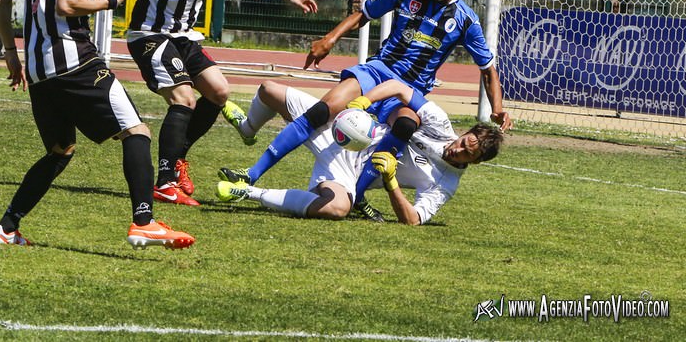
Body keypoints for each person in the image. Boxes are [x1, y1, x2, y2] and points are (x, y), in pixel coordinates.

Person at [219, 0, 512, 218]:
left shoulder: (465, 20)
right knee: (324, 109)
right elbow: (364, 14)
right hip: (376, 71)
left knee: (406, 125)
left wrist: (496, 108)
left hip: (409, 91)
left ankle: (357, 194)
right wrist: (330, 39)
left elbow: (487, 69)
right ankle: (252, 173)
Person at [0, 0, 194, 249]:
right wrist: (112, 1)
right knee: (137, 130)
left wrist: (12, 54)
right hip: (74, 62)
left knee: (60, 150)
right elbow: (68, 2)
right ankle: (143, 222)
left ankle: (6, 227)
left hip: (37, 69)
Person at [104, 0, 318, 206]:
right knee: (185, 99)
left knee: (219, 92)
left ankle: (177, 161)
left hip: (186, 38)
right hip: (150, 34)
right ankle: (164, 182)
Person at [216, 80, 503, 224]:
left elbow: (413, 219)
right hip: (346, 129)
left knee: (337, 208)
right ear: (466, 133)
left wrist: (391, 182)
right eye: (464, 141)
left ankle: (247, 192)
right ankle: (248, 128)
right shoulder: (441, 124)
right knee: (269, 90)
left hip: (348, 173)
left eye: (466, 153)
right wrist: (363, 102)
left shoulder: (445, 183)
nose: (457, 149)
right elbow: (398, 88)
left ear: (475, 162)